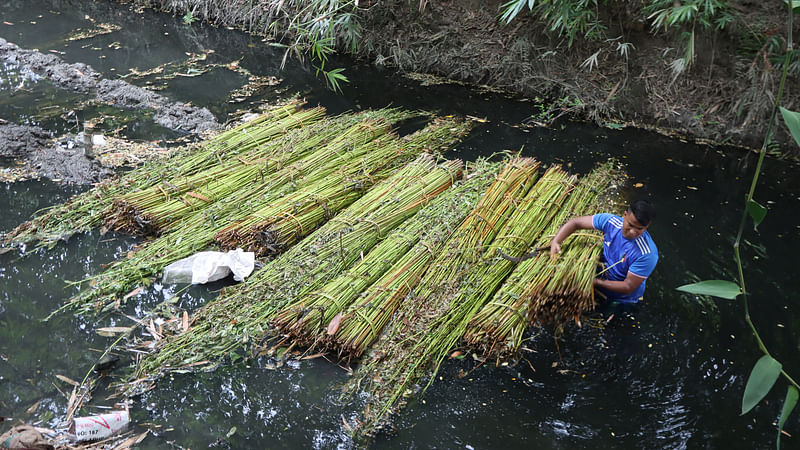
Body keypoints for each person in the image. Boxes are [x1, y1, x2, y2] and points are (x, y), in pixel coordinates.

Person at [550, 200, 658, 311]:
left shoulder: (647, 254)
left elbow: (628, 286)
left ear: (647, 226)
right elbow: (575, 223)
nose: (632, 231)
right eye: (630, 225)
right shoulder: (611, 222)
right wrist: (556, 241)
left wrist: (594, 282)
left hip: (621, 298)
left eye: (639, 229)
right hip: (603, 276)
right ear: (625, 215)